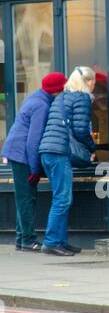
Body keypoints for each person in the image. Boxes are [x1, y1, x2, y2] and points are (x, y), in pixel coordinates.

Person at [1, 72, 67, 252]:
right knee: (26, 198)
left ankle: (21, 239)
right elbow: (33, 141)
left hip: (17, 152)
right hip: (22, 155)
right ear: (57, 90)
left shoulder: (36, 97)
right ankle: (28, 240)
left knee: (24, 197)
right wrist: (35, 169)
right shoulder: (41, 105)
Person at [39, 66, 97, 256]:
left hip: (47, 151)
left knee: (61, 198)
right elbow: (81, 130)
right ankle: (51, 242)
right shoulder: (82, 97)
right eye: (93, 83)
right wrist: (92, 147)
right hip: (58, 153)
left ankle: (60, 241)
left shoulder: (61, 97)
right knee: (62, 199)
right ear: (88, 82)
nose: (94, 87)